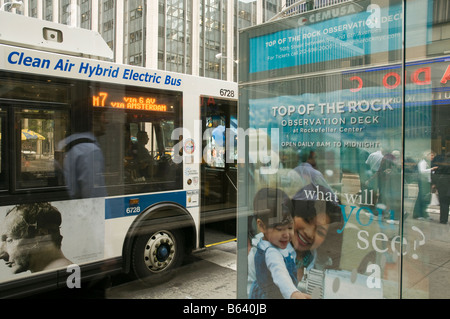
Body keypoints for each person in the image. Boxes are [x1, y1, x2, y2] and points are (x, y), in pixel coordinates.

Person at [248, 188, 310, 299]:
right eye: (280, 229)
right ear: (262, 226)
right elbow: (280, 274)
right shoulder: (271, 252)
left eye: (290, 227)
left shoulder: (278, 244)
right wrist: (293, 294)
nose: (287, 234)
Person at [0, 203, 72, 274]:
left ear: (42, 235)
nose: (1, 255)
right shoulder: (59, 276)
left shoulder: (62, 278)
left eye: (9, 240)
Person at [57, 110, 107, 199]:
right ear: (93, 120)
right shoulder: (90, 151)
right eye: (103, 116)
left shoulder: (63, 145)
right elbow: (95, 199)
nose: (106, 121)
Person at [413, 150, 438, 220]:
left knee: (425, 198)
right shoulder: (423, 162)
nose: (433, 157)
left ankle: (424, 214)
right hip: (423, 182)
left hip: (427, 182)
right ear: (427, 155)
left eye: (433, 155)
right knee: (422, 197)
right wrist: (432, 169)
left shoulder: (427, 163)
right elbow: (422, 171)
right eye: (431, 155)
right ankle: (418, 214)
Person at [431, 153, 450, 224]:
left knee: (444, 203)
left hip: (443, 185)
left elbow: (436, 174)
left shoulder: (443, 163)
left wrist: (435, 183)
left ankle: (443, 219)